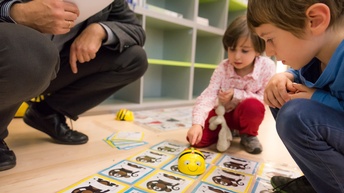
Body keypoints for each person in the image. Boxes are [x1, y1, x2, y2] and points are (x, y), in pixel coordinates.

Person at [0, 0, 148, 171]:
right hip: (13, 53)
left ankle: (47, 113)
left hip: (53, 66)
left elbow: (137, 31)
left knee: (134, 59)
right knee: (35, 49)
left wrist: (100, 30)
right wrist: (18, 12)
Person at [247, 0, 344, 192]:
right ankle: (321, 179)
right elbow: (307, 72)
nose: (269, 51)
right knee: (282, 95)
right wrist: (286, 75)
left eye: (270, 39)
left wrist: (317, 97)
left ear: (314, 21)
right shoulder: (319, 49)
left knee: (296, 115)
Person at [186, 15, 276, 154]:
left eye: (245, 50)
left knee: (253, 106)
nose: (237, 56)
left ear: (258, 50)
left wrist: (236, 94)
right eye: (232, 49)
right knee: (196, 141)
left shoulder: (267, 66)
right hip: (223, 115)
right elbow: (208, 95)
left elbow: (264, 99)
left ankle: (248, 135)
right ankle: (230, 131)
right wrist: (197, 124)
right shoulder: (223, 67)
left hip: (246, 116)